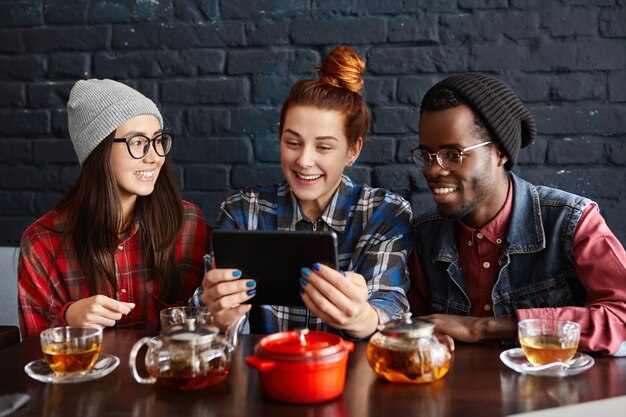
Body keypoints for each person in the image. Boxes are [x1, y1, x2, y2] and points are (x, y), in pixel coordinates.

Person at [199, 46, 412, 339]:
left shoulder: (384, 212)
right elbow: (204, 313)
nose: (304, 160)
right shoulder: (242, 210)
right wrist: (217, 317)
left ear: (353, 150)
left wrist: (362, 317)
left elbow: (389, 306)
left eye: (323, 147)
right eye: (293, 143)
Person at [407, 73, 626, 356]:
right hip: (456, 397)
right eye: (426, 155)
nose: (433, 170)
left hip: (557, 395)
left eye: (452, 154)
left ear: (500, 153)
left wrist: (488, 327)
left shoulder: (571, 222)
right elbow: (410, 331)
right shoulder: (424, 237)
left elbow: (621, 317)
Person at [18, 79, 210, 337]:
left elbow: (207, 329)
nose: (154, 157)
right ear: (98, 150)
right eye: (137, 142)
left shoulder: (188, 223)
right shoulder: (42, 243)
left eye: (157, 140)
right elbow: (34, 356)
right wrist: (69, 319)